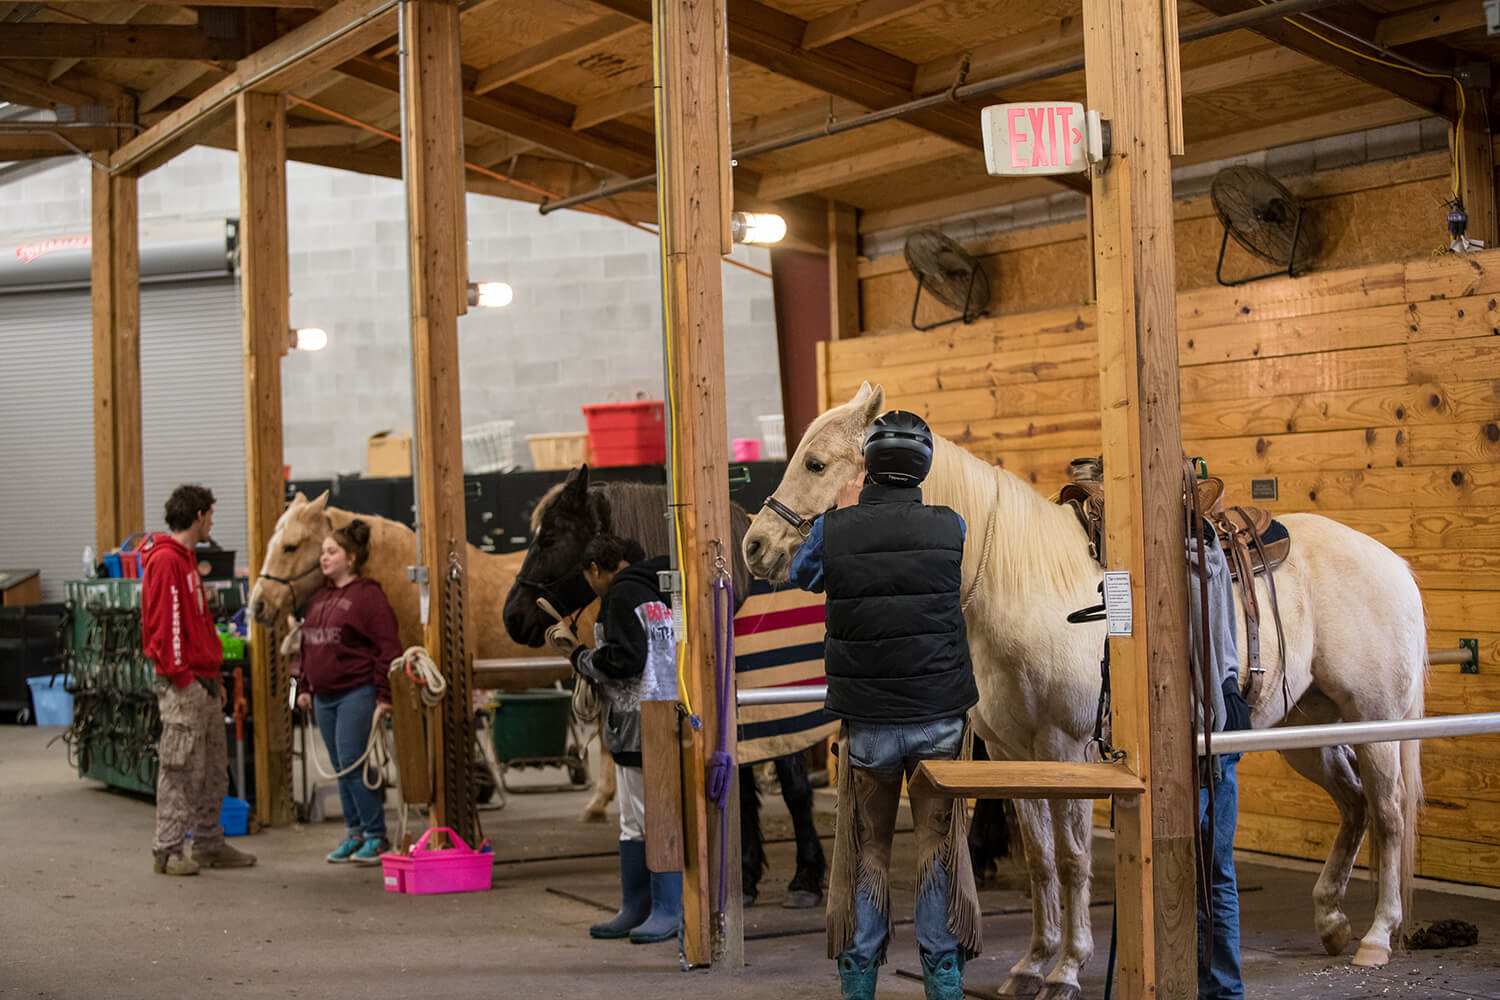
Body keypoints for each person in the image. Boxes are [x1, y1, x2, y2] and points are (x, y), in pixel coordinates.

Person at [788, 410, 981, 1000]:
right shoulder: (953, 524)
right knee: (938, 845)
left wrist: (840, 516)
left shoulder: (837, 527)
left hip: (869, 722)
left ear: (866, 466)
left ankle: (859, 981)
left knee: (868, 848)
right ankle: (942, 979)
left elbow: (804, 574)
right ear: (923, 467)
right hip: (940, 717)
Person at [545, 533, 682, 945]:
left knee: (639, 818)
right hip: (669, 713)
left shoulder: (620, 596)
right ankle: (647, 907)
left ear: (595, 569)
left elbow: (627, 658)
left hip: (634, 722)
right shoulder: (659, 587)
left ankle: (657, 908)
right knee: (651, 813)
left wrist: (584, 659)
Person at [141, 484, 257, 875]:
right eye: (209, 515)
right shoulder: (167, 562)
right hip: (183, 684)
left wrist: (213, 678)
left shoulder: (187, 559)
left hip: (202, 681)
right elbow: (165, 627)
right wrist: (184, 678)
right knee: (180, 768)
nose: (212, 522)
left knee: (212, 770)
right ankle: (168, 850)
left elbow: (198, 624)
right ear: (197, 516)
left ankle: (209, 843)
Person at [295, 520, 400, 866]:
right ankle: (354, 834)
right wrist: (305, 686)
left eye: (331, 552)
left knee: (353, 765)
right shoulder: (321, 597)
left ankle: (376, 835)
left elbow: (388, 647)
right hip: (324, 697)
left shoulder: (369, 596)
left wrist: (384, 696)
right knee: (341, 767)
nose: (323, 558)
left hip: (356, 692)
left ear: (351, 558)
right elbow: (308, 645)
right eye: (323, 552)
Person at [1188, 518, 1251, 1000]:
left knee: (1191, 869)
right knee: (1219, 870)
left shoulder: (1180, 568)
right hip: (1222, 722)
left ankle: (1194, 982)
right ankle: (1224, 989)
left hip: (1196, 731)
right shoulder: (1210, 552)